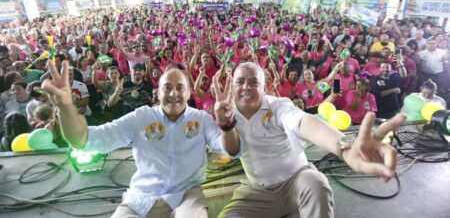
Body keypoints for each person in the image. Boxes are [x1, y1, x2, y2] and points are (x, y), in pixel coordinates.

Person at [42, 60, 240, 218]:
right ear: (157, 92)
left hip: (186, 196)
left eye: (180, 88)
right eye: (167, 88)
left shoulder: (202, 119)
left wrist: (225, 122)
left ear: (189, 93)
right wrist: (65, 106)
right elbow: (83, 140)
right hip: (141, 199)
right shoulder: (141, 118)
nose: (173, 94)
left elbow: (229, 149)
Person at [214, 62, 404, 218]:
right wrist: (225, 123)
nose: (246, 86)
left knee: (316, 182)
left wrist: (345, 147)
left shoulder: (288, 101)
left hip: (298, 173)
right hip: (258, 190)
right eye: (240, 81)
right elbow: (232, 150)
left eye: (254, 82)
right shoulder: (230, 112)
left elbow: (306, 121)